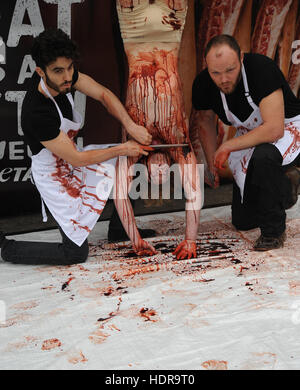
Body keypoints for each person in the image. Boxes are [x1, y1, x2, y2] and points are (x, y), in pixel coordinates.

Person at [0, 28, 154, 265]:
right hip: (55, 175)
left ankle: (119, 229)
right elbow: (76, 159)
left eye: (70, 67)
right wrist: (123, 148)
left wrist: (130, 126)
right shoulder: (36, 112)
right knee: (75, 254)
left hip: (74, 158)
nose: (67, 76)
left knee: (132, 160)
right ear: (41, 71)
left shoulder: (66, 78)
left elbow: (103, 94)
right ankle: (7, 248)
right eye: (59, 71)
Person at [191, 34, 300, 251]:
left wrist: (229, 145)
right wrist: (213, 161)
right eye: (216, 72)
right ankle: (284, 184)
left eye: (230, 70)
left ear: (241, 57)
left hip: (287, 127)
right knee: (243, 221)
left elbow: (274, 129)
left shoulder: (261, 69)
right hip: (250, 134)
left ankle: (273, 233)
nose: (223, 79)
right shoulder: (203, 83)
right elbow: (204, 120)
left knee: (264, 157)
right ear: (207, 66)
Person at [114, 0, 202, 259]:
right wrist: (190, 240)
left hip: (133, 27)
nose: (160, 173)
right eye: (166, 174)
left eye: (154, 176)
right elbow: (194, 192)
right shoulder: (179, 144)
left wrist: (136, 239)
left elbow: (120, 196)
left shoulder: (132, 147)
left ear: (146, 171)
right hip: (170, 25)